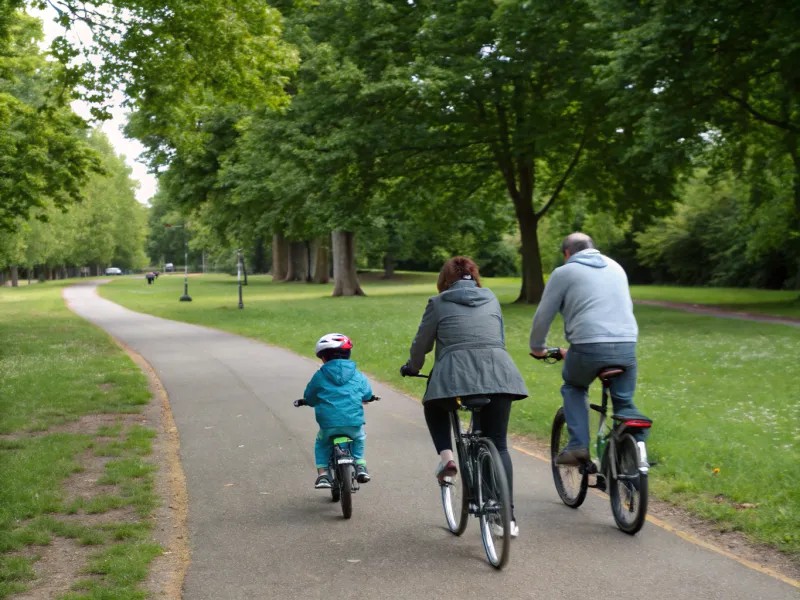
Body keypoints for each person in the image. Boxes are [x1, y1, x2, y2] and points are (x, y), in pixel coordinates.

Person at [401, 257, 528, 536]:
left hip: (454, 376)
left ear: (445, 279)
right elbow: (499, 337)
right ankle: (507, 518)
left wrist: (413, 368)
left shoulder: (438, 303)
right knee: (499, 444)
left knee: (433, 405)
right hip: (500, 372)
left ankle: (447, 458)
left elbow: (421, 344)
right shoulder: (492, 298)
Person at [529, 233, 650, 466]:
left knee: (574, 386)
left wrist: (538, 347)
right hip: (626, 347)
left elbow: (544, 315)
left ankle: (577, 445)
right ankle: (628, 459)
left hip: (587, 347)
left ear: (567, 253)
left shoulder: (563, 272)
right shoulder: (616, 267)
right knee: (623, 404)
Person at [301, 333, 373, 489]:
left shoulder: (320, 376)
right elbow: (367, 394)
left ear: (323, 358)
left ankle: (323, 475)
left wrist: (309, 401)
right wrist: (367, 397)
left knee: (322, 442)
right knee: (359, 437)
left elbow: (310, 396)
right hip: (353, 423)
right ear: (348, 354)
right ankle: (360, 465)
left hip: (329, 424)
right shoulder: (357, 374)